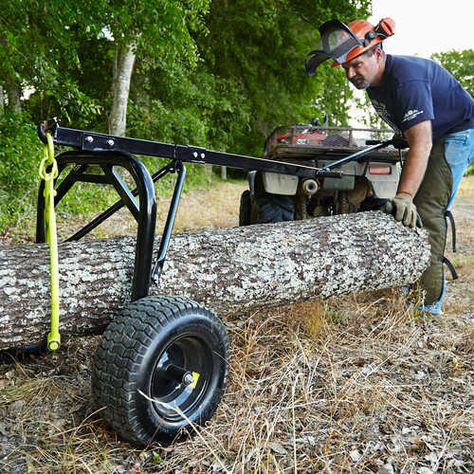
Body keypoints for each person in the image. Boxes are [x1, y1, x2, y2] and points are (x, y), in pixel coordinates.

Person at [305, 18, 474, 314]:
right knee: (405, 211)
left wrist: (405, 195)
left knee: (425, 209)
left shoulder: (406, 78)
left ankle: (428, 306)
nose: (350, 73)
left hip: (458, 134)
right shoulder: (373, 85)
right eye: (345, 68)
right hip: (434, 134)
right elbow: (413, 129)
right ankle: (411, 278)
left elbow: (422, 142)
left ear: (378, 53)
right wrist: (402, 134)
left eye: (356, 65)